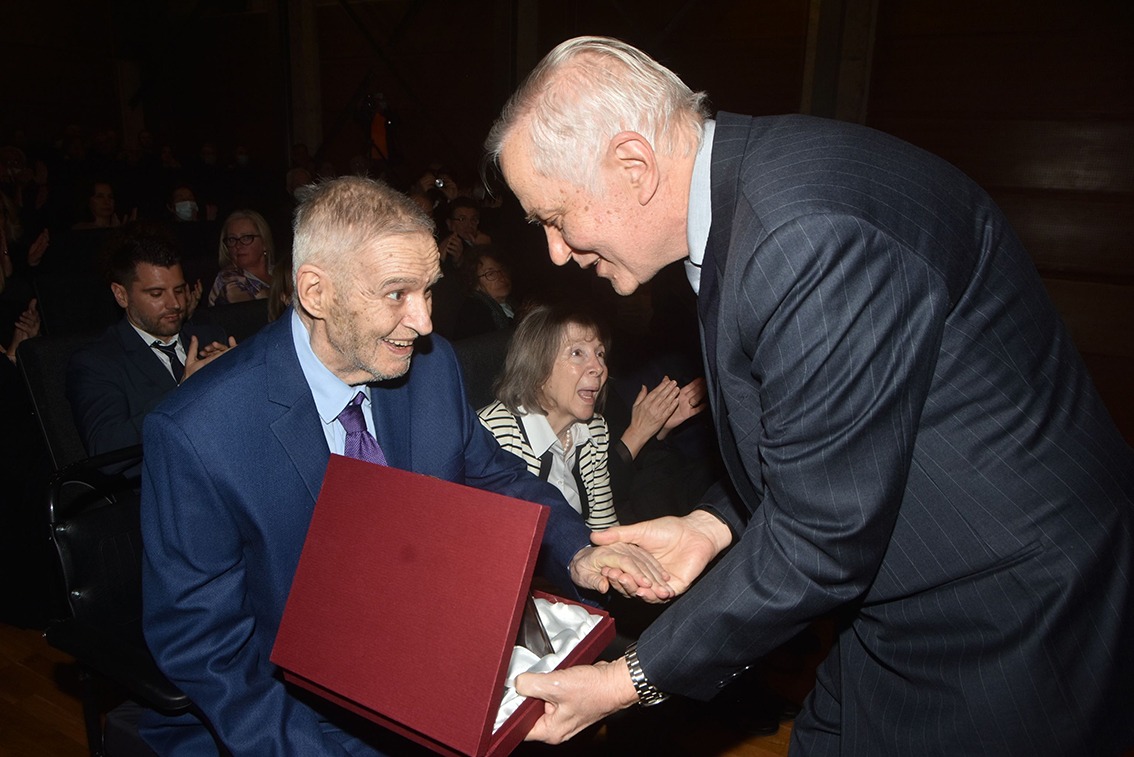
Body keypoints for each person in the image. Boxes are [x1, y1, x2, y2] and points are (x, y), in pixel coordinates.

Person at [487, 36, 1134, 755]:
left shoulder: (802, 235)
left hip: (1006, 612)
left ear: (634, 166)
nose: (555, 251)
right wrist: (711, 524)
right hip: (907, 591)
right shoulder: (756, 194)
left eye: (554, 217)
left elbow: (823, 536)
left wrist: (624, 680)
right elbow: (821, 431)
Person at [138, 176, 672, 755]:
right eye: (397, 294)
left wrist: (578, 550)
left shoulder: (430, 367)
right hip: (299, 714)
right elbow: (206, 647)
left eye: (429, 291)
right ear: (316, 292)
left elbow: (493, 474)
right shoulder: (200, 432)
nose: (423, 322)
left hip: (433, 655)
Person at [479, 303, 704, 531]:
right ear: (536, 366)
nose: (599, 367)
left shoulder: (595, 430)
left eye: (600, 354)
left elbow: (603, 528)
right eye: (577, 353)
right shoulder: (492, 436)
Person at [66, 222, 231, 456]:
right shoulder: (97, 362)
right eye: (156, 294)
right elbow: (107, 451)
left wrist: (239, 378)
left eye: (179, 290)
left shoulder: (210, 337)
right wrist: (184, 392)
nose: (175, 304)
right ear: (121, 295)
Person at [207, 208, 275, 305]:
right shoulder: (228, 278)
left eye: (246, 238)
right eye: (232, 240)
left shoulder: (282, 273)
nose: (238, 246)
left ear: (264, 242)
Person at [449, 246, 515, 340]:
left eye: (502, 270)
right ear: (475, 283)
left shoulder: (515, 305)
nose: (501, 277)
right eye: (490, 273)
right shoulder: (475, 314)